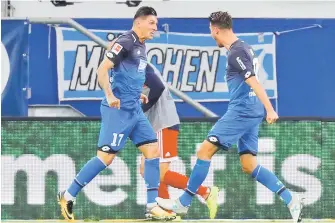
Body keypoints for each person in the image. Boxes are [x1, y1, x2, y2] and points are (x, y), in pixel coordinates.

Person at [156, 11, 304, 223]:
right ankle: (292, 200)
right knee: (249, 164)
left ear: (216, 29)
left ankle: (184, 202)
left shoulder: (236, 52)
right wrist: (263, 109)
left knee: (204, 151)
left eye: (210, 31)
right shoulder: (245, 47)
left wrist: (270, 109)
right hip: (252, 111)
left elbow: (253, 81)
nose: (211, 35)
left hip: (242, 111)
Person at [57, 6, 175, 221]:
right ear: (138, 21)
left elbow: (129, 74)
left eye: (156, 24)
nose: (155, 28)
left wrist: (136, 94)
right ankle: (68, 195)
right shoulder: (127, 41)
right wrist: (111, 95)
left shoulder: (141, 46)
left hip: (134, 110)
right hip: (117, 111)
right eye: (151, 23)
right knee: (105, 159)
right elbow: (102, 70)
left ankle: (152, 206)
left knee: (152, 151)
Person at [140, 64, 219, 219]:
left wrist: (142, 108)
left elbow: (157, 86)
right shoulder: (131, 65)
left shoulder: (139, 63)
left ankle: (205, 192)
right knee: (146, 169)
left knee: (159, 173)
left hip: (163, 123)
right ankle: (166, 212)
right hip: (153, 125)